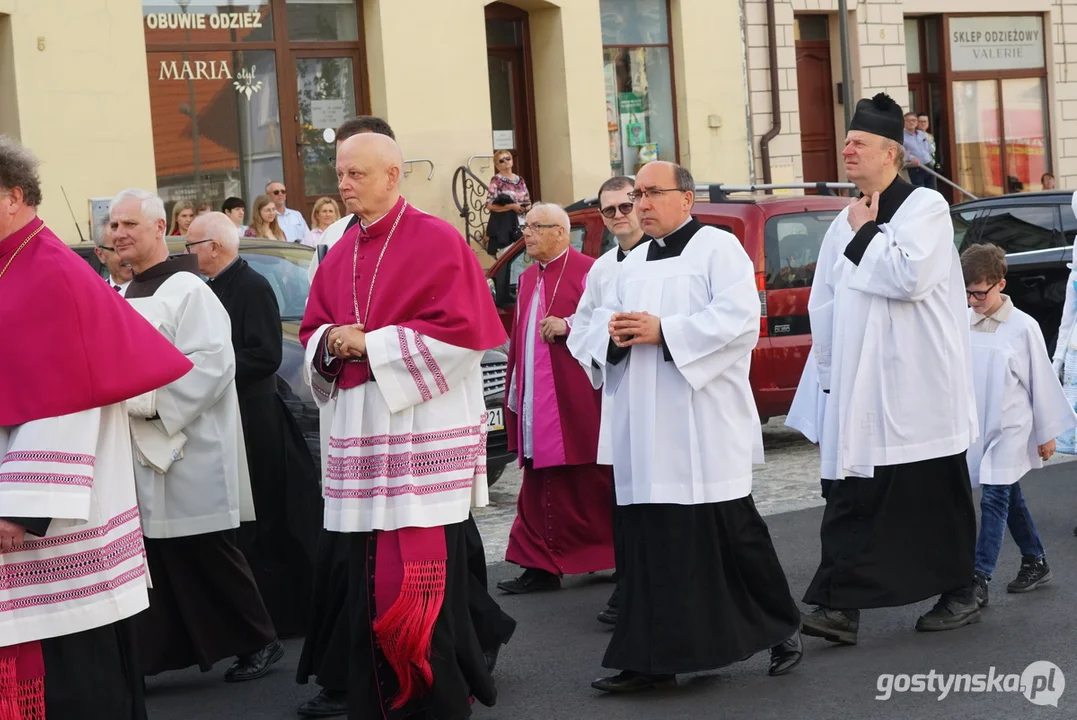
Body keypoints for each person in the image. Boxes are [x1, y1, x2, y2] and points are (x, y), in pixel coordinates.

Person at [295, 115, 516, 719]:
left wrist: (372, 345)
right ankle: (377, 698)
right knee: (366, 578)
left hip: (418, 430)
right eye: (340, 172)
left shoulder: (437, 240)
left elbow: (465, 335)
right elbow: (313, 331)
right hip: (363, 432)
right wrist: (333, 342)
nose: (344, 183)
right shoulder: (338, 249)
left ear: (393, 176)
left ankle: (430, 699)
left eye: (356, 173)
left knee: (415, 583)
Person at [592, 161, 803, 694]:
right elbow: (595, 325)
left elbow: (737, 323)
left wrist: (665, 331)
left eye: (651, 193)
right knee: (650, 547)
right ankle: (651, 657)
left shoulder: (719, 248)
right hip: (646, 426)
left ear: (686, 198)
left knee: (733, 533)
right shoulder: (629, 263)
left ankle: (783, 627)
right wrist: (611, 338)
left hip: (702, 422)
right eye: (636, 193)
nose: (640, 203)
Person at [0, 135, 191, 719]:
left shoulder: (52, 272)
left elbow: (68, 395)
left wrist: (19, 507)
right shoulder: (15, 265)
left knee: (72, 680)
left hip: (50, 522)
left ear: (12, 195)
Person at [800, 94, 981, 647]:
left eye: (859, 143)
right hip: (859, 386)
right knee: (851, 493)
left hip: (916, 387)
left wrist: (862, 233)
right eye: (847, 141)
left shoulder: (922, 208)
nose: (847, 149)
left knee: (931, 499)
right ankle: (838, 607)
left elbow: (909, 280)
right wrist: (828, 375)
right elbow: (824, 302)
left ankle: (961, 591)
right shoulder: (846, 217)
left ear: (891, 154)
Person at [109, 188, 285, 682]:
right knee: (160, 557)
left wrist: (143, 405)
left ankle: (261, 639)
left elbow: (213, 366)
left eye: (130, 225)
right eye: (114, 226)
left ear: (159, 229)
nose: (119, 233)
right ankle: (154, 656)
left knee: (205, 550)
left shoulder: (189, 290)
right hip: (139, 447)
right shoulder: (123, 292)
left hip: (187, 445)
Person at [187, 212, 323, 639]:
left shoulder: (252, 287)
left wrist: (207, 368)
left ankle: (287, 614)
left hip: (258, 417)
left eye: (192, 246)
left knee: (270, 517)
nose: (188, 254)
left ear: (215, 246)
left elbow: (265, 355)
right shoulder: (214, 287)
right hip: (233, 413)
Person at [499, 203, 615, 595]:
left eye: (535, 227)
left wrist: (567, 326)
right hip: (537, 397)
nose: (526, 234)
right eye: (525, 226)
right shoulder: (529, 275)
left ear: (561, 233)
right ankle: (540, 565)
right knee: (538, 479)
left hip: (576, 396)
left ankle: (611, 553)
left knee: (588, 481)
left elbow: (608, 322)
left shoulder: (589, 270)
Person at [961, 243, 1077, 607]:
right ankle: (1035, 559)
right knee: (1009, 497)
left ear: (1000, 284)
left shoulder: (1024, 328)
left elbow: (1041, 382)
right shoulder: (961, 321)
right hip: (980, 425)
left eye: (979, 292)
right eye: (967, 292)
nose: (973, 300)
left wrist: (1046, 433)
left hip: (1012, 428)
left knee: (994, 497)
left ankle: (979, 577)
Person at [567, 176, 646, 626]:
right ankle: (628, 587)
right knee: (624, 503)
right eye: (609, 210)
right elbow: (583, 330)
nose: (618, 216)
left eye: (625, 206)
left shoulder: (668, 257)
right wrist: (611, 343)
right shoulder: (601, 269)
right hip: (621, 396)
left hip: (666, 397)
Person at [485, 149, 530, 257]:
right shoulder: (496, 180)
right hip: (505, 225)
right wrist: (512, 206)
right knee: (508, 256)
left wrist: (525, 207)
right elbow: (489, 205)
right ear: (497, 166)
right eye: (501, 161)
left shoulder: (520, 180)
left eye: (508, 158)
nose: (506, 162)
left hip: (521, 223)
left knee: (521, 257)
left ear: (512, 161)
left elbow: (528, 201)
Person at [95, 217, 133, 295]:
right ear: (101, 255)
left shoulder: (156, 293)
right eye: (120, 248)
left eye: (132, 247)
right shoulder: (94, 295)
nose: (129, 255)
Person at [902, 112, 935, 189]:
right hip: (915, 168)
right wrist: (911, 158)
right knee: (921, 191)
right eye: (908, 120)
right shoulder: (902, 136)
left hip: (928, 165)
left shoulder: (921, 134)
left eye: (914, 120)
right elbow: (901, 151)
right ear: (904, 122)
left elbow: (929, 148)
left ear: (917, 122)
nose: (911, 122)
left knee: (932, 190)